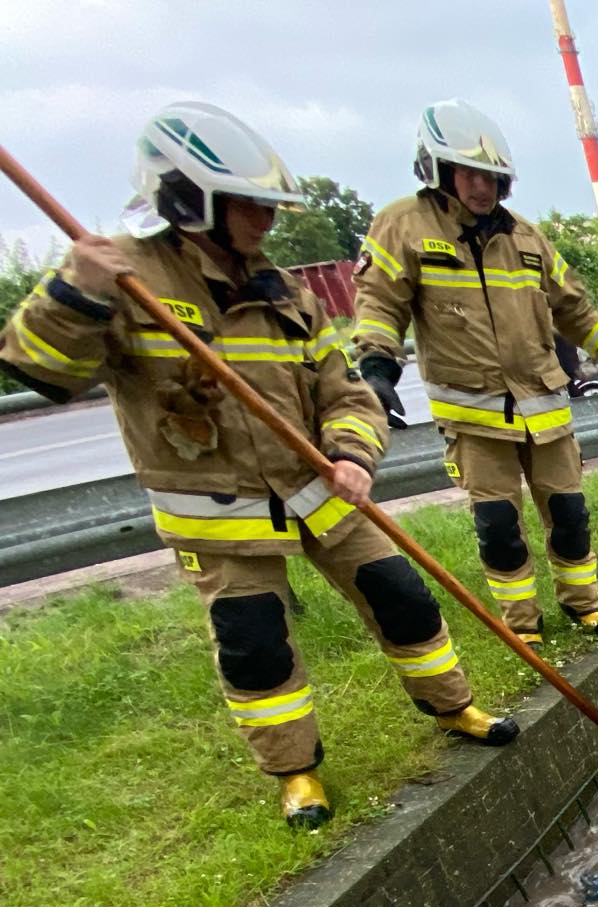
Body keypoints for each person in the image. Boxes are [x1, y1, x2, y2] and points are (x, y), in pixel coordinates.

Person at [0, 102, 516, 831]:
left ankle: (454, 706)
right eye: (251, 206)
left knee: (401, 594)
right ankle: (296, 772)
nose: (265, 222)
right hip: (218, 506)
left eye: (270, 207)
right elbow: (39, 370)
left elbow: (345, 391)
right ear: (189, 200)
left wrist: (353, 452)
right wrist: (73, 291)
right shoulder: (119, 277)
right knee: (255, 644)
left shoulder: (287, 291)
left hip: (317, 486)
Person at [352, 99, 598, 646]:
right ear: (439, 170)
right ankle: (523, 628)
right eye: (473, 174)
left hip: (544, 406)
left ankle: (584, 606)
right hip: (474, 416)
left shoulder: (525, 237)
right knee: (500, 530)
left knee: (569, 515)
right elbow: (380, 306)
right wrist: (378, 368)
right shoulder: (402, 226)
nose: (484, 188)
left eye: (495, 178)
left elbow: (576, 311)